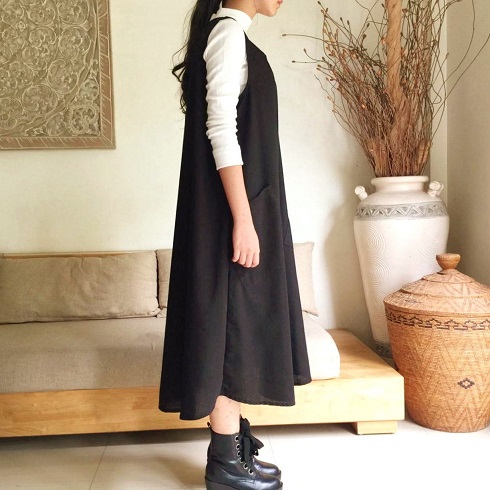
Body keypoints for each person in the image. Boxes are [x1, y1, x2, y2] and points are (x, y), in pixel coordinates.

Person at [159, 1, 311, 488]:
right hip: (230, 214)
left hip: (240, 208)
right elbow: (221, 131)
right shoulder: (226, 36)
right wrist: (243, 219)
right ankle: (225, 463)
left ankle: (231, 448)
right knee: (227, 330)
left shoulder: (232, 36)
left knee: (237, 325)